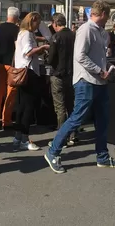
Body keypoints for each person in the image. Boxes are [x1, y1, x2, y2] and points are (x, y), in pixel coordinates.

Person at [45, 0, 115, 174]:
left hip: (99, 81)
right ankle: (53, 152)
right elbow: (80, 55)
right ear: (103, 13)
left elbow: (96, 56)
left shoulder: (101, 32)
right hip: (86, 80)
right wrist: (100, 70)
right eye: (108, 16)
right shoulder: (86, 30)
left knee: (102, 121)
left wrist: (107, 68)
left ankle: (102, 156)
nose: (109, 19)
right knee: (77, 118)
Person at [11, 12, 48, 151]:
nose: (38, 26)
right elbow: (27, 52)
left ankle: (18, 136)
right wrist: (42, 48)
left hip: (22, 70)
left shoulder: (22, 33)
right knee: (28, 106)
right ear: (31, 21)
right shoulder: (26, 34)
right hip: (29, 72)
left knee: (21, 105)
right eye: (37, 23)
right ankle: (25, 138)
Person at [48, 13, 76, 147]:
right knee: (71, 105)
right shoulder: (73, 35)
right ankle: (73, 135)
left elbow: (51, 58)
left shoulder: (56, 37)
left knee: (60, 107)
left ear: (55, 23)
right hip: (71, 74)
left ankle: (62, 138)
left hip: (58, 74)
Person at [0, 7, 21, 129]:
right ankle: (6, 120)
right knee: (11, 93)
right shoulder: (17, 29)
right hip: (11, 64)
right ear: (16, 17)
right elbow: (17, 47)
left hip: (0, 63)